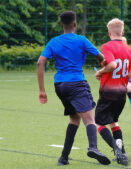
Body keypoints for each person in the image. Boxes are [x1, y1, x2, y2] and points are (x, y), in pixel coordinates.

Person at [37, 11, 110, 165]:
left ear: (62, 24)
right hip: (77, 83)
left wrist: (42, 90)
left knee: (74, 119)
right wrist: (102, 63)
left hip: (60, 86)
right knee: (90, 119)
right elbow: (101, 56)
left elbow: (40, 63)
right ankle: (93, 148)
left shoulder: (53, 41)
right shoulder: (82, 40)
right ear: (75, 24)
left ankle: (64, 157)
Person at [94, 18, 131, 166]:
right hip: (121, 93)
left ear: (109, 33)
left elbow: (112, 64)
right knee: (113, 122)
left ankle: (116, 148)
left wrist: (101, 71)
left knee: (98, 123)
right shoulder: (128, 49)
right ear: (122, 32)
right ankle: (122, 153)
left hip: (108, 92)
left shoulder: (107, 46)